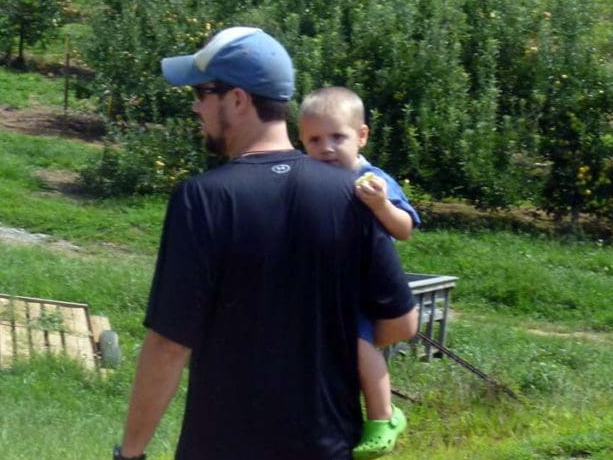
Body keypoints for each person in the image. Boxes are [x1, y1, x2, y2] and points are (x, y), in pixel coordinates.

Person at [116, 27, 418, 460]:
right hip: (327, 446)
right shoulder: (352, 194)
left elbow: (169, 345)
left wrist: (130, 453)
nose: (196, 106)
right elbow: (402, 324)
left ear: (237, 100)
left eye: (203, 93)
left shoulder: (204, 198)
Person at [299, 87, 422, 458]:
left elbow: (405, 228)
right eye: (314, 140)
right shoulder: (309, 181)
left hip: (368, 288)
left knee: (356, 343)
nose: (327, 148)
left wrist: (382, 205)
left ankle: (385, 416)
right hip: (330, 286)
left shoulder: (372, 180)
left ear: (362, 136)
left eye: (338, 136)